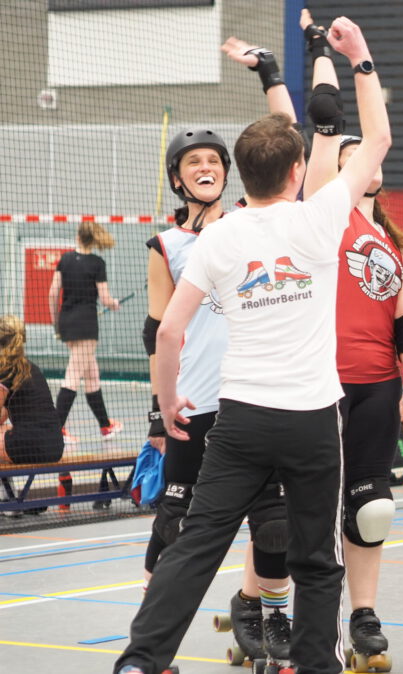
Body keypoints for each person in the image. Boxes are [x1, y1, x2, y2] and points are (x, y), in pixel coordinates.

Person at [113, 15, 390, 674]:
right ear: (298, 170)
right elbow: (376, 138)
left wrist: (169, 399)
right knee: (314, 560)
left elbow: (170, 331)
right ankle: (317, 665)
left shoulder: (219, 237)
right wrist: (360, 58)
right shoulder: (320, 217)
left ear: (241, 171)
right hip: (312, 420)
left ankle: (140, 662)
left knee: (197, 542)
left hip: (239, 417)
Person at [295, 9, 403, 669]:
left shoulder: (393, 242)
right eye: (350, 157)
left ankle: (364, 615)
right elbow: (326, 122)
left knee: (371, 508)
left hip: (377, 384)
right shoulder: (324, 212)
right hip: (319, 381)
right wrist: (320, 51)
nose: (363, 162)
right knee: (311, 507)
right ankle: (293, 611)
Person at [139, 121, 293, 665]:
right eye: (192, 163)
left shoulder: (250, 226)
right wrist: (159, 413)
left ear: (229, 172)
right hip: (194, 405)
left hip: (255, 400)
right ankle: (152, 643)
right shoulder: (168, 245)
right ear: (177, 180)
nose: (205, 169)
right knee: (175, 532)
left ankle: (273, 623)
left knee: (274, 527)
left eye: (213, 161)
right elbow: (156, 330)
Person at [48, 221, 122, 441]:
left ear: (78, 236)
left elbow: (53, 293)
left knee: (92, 376)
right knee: (72, 377)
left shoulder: (65, 259)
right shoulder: (97, 263)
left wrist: (56, 323)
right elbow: (106, 298)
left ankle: (105, 426)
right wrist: (114, 304)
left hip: (68, 323)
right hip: (87, 326)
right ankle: (56, 431)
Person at [0, 315, 64, 467]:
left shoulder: (5, 369)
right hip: (55, 447)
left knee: (6, 434)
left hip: (29, 447)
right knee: (6, 430)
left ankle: (5, 490)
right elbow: (4, 414)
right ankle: (9, 490)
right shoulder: (31, 368)